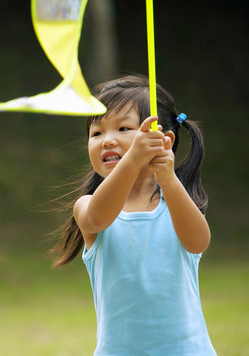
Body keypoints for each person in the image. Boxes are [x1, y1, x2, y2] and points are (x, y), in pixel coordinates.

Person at [51, 75, 217, 355]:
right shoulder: (88, 206)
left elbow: (198, 243)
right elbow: (99, 219)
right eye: (96, 133)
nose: (107, 140)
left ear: (163, 140)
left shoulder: (176, 203)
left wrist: (168, 179)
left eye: (123, 128)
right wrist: (133, 158)